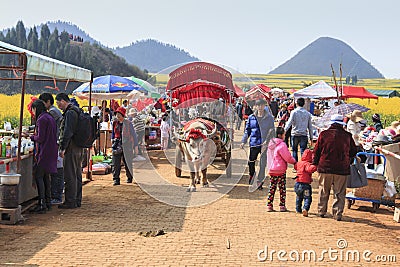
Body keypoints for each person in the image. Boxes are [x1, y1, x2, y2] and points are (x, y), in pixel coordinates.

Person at [313, 114, 357, 221]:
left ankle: (321, 211)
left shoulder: (323, 134)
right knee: (339, 192)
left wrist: (315, 163)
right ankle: (337, 213)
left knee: (323, 190)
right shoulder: (347, 136)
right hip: (341, 169)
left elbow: (316, 151)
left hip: (325, 167)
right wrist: (348, 160)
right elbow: (353, 151)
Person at [28, 100, 58, 213]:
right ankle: (48, 202)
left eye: (33, 110)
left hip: (44, 152)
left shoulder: (41, 119)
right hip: (51, 150)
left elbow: (40, 138)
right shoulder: (49, 117)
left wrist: (31, 137)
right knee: (46, 177)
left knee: (39, 176)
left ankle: (42, 204)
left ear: (36, 109)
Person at [55, 93, 83, 209]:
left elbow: (67, 132)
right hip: (78, 147)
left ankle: (70, 201)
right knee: (77, 174)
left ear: (62, 101)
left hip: (71, 147)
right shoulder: (77, 111)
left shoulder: (70, 113)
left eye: (58, 103)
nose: (58, 106)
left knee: (70, 174)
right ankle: (77, 199)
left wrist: (62, 147)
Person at [240, 98, 275, 190]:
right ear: (255, 106)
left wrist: (270, 142)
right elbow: (247, 131)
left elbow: (272, 131)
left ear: (265, 106)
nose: (260, 107)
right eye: (258, 105)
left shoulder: (269, 118)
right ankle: (252, 176)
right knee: (251, 162)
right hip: (253, 143)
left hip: (264, 144)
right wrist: (243, 141)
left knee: (263, 164)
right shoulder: (251, 117)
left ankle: (260, 181)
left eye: (262, 105)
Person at [39, 92, 64, 205]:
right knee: (57, 171)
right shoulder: (54, 111)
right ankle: (56, 195)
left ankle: (56, 196)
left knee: (56, 172)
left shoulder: (53, 112)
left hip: (56, 143)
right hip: (57, 142)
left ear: (48, 102)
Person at [266, 127, 296, 212]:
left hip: (271, 169)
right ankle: (282, 206)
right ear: (280, 135)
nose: (285, 135)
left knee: (272, 188)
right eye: (284, 134)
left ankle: (269, 205)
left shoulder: (270, 144)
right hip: (280, 170)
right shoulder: (282, 145)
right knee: (282, 188)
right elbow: (287, 157)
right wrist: (294, 162)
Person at [112, 107, 138, 185]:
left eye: (119, 114)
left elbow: (133, 135)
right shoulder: (114, 123)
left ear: (123, 115)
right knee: (115, 162)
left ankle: (129, 177)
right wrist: (112, 140)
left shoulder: (128, 123)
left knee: (128, 162)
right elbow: (113, 133)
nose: (118, 116)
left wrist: (136, 146)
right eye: (117, 114)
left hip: (127, 144)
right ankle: (116, 179)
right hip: (117, 144)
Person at [284, 97, 313, 162]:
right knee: (303, 151)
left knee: (294, 150)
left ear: (296, 104)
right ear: (304, 104)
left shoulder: (294, 112)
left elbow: (289, 122)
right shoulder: (307, 113)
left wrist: (284, 131)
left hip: (295, 134)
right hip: (304, 134)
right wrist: (311, 137)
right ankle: (302, 166)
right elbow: (310, 126)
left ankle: (296, 166)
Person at [294, 148, 317, 217]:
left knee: (299, 197)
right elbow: (310, 169)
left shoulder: (299, 163)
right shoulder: (307, 164)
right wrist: (316, 166)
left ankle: (298, 209)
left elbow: (295, 167)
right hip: (305, 184)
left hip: (297, 183)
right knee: (307, 198)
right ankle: (305, 209)